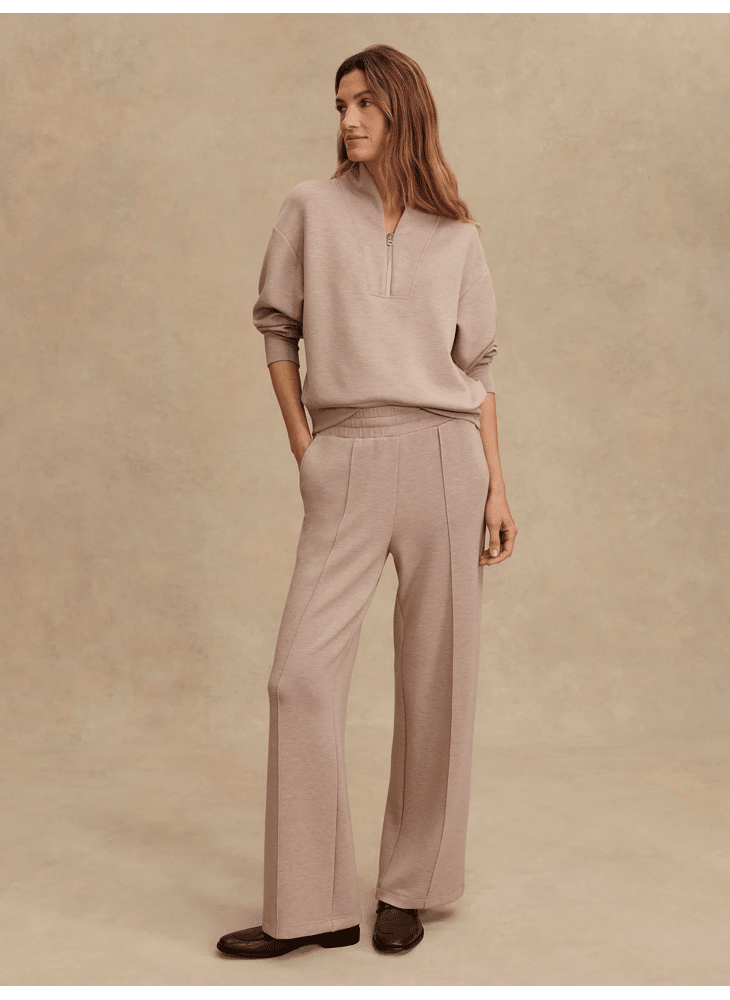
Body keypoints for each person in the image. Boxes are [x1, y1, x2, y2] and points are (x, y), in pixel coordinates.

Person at [217, 43, 517, 961]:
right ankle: (309, 905)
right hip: (345, 453)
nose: (348, 120)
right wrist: (305, 446)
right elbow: (277, 327)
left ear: (403, 111)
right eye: (341, 104)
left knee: (438, 679)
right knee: (299, 676)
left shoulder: (457, 237)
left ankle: (410, 888)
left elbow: (477, 370)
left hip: (445, 460)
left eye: (365, 104)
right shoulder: (310, 208)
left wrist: (498, 486)